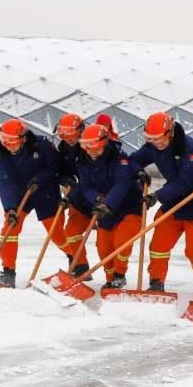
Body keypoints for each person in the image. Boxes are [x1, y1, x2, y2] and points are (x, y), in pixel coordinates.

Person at [129, 112, 193, 293]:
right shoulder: (153, 146)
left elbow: (185, 182)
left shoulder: (189, 149)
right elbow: (134, 159)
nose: (156, 142)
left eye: (160, 138)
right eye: (151, 139)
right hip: (173, 202)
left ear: (171, 133)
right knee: (158, 245)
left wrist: (157, 196)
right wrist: (139, 172)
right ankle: (156, 282)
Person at [0, 118, 61, 288]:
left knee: (56, 232)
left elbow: (55, 166)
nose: (8, 147)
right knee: (9, 228)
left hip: (45, 192)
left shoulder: (42, 145)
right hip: (21, 194)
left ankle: (77, 263)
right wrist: (10, 208)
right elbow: (4, 180)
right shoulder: (1, 152)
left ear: (23, 138)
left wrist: (39, 179)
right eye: (5, 142)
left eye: (12, 143)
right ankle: (8, 272)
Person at [76, 123, 144, 290]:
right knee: (103, 246)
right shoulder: (83, 161)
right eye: (88, 148)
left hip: (128, 205)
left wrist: (108, 203)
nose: (92, 152)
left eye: (96, 148)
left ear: (104, 143)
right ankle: (110, 278)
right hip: (104, 207)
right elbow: (85, 186)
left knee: (122, 241)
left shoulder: (120, 159)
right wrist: (97, 198)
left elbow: (122, 184)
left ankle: (119, 275)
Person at [55, 113, 92, 277]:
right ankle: (81, 266)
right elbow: (62, 172)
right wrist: (67, 179)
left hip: (100, 198)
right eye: (63, 135)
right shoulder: (63, 148)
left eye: (72, 134)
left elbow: (88, 178)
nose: (68, 139)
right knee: (71, 232)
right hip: (79, 199)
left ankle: (115, 276)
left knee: (107, 241)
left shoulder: (91, 145)